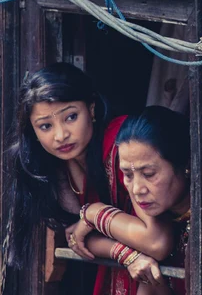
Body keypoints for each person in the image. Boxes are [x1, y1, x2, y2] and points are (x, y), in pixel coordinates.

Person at [9, 63, 175, 295]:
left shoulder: (123, 145)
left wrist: (93, 213)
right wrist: (124, 253)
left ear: (92, 109)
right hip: (124, 275)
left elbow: (157, 242)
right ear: (33, 131)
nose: (61, 135)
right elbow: (77, 239)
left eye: (71, 117)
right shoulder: (51, 171)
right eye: (45, 126)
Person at [68, 106, 191, 294]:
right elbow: (83, 241)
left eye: (149, 174)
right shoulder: (156, 220)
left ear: (185, 165)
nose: (136, 189)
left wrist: (93, 212)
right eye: (127, 174)